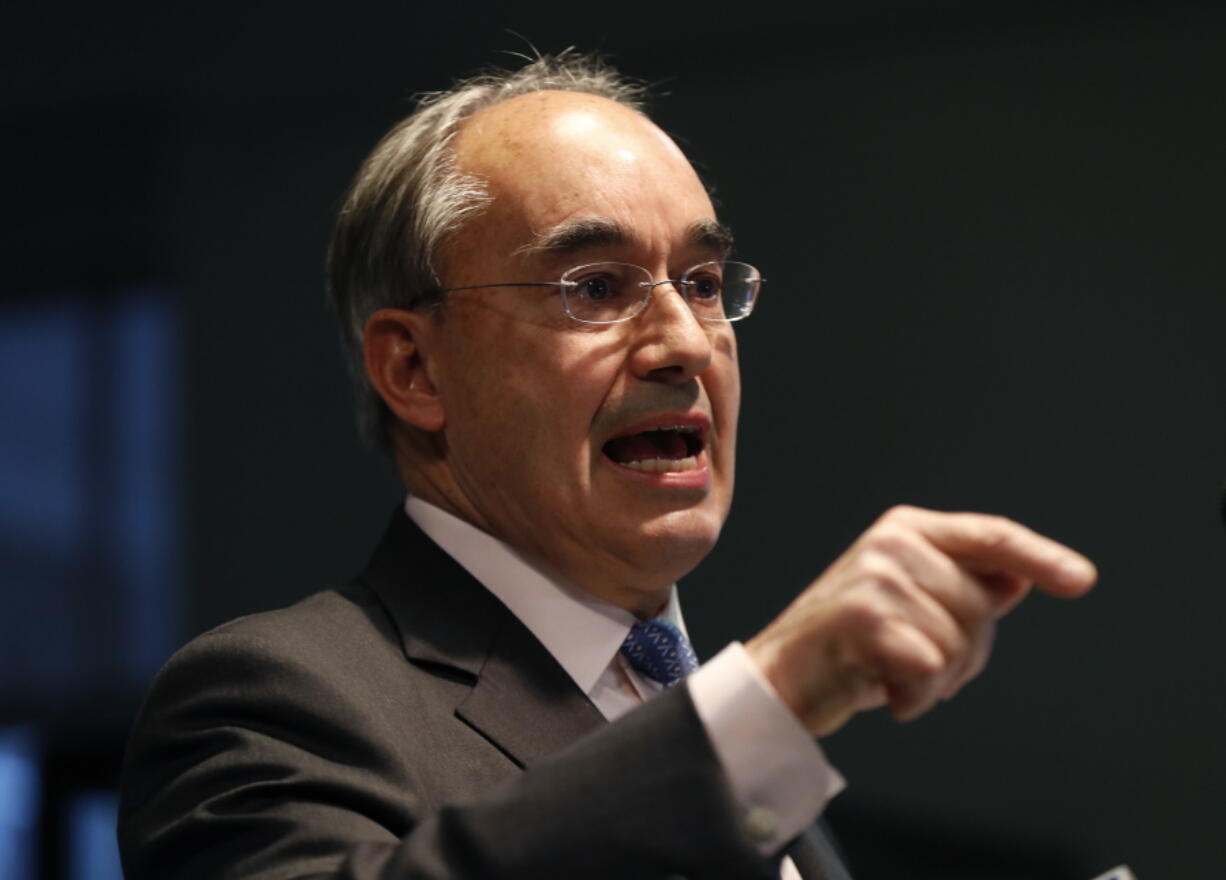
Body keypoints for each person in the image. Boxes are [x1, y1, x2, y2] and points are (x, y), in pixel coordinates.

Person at [118, 53, 1097, 880]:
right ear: (414, 368)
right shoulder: (266, 700)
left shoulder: (689, 708)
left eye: (703, 282)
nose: (684, 340)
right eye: (594, 287)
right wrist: (768, 701)